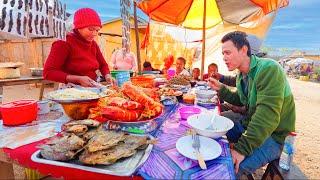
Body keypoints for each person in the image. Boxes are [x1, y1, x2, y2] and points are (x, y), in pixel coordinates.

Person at [208, 31, 295, 178]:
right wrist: (220, 89)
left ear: (243, 50)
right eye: (223, 54)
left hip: (274, 136)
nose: (224, 58)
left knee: (229, 169)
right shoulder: (242, 75)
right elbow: (240, 99)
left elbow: (267, 117)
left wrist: (241, 149)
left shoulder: (269, 68)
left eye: (228, 52)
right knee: (210, 127)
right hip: (250, 124)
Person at [43, 8, 112, 87]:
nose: (94, 34)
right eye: (91, 29)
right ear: (79, 27)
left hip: (92, 88)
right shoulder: (63, 43)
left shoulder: (93, 44)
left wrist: (107, 75)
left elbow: (103, 65)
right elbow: (48, 72)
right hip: (70, 92)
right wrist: (77, 79)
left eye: (97, 30)